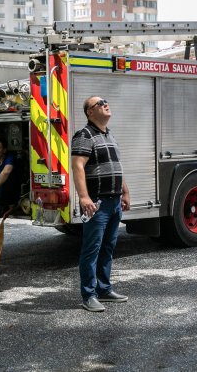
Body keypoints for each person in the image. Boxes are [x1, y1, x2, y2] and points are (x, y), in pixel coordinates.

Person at [71, 96, 131, 312]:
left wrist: (125, 192)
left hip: (114, 202)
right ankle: (89, 295)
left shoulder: (109, 135)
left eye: (107, 101)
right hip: (97, 202)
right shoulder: (84, 135)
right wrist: (84, 197)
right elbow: (77, 166)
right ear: (90, 112)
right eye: (100, 103)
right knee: (92, 249)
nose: (106, 104)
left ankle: (104, 289)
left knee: (108, 247)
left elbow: (116, 166)